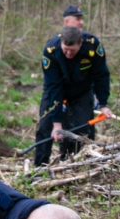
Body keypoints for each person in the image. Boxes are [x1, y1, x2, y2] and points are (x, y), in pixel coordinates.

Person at [35, 25, 113, 167]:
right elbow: (54, 87)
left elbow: (101, 75)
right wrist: (56, 124)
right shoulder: (51, 50)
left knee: (81, 131)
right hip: (56, 88)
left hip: (82, 89)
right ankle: (40, 168)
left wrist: (103, 104)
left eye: (73, 50)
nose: (69, 54)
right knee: (45, 127)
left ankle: (76, 165)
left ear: (80, 43)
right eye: (66, 50)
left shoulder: (93, 46)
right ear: (61, 43)